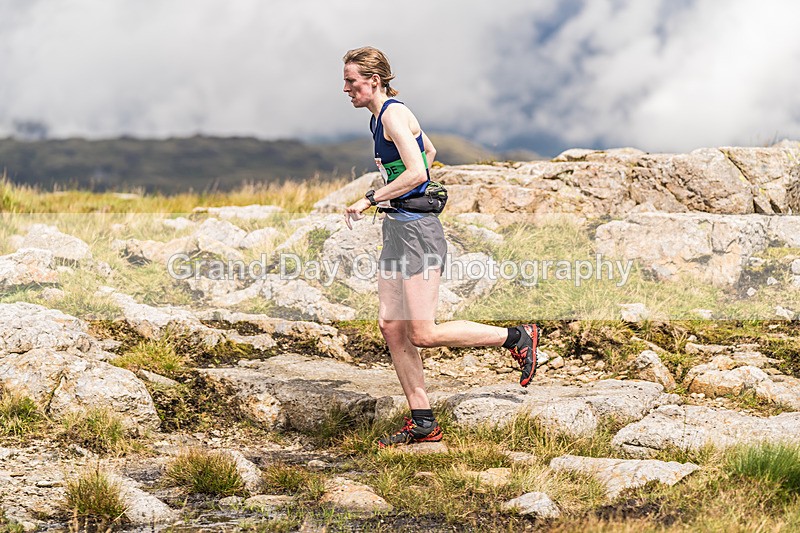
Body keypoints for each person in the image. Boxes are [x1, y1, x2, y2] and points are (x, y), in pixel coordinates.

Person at [342, 46, 541, 448]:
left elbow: (417, 170)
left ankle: (517, 337)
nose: (345, 89)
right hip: (398, 229)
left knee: (424, 332)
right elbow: (428, 152)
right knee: (391, 326)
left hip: (419, 233)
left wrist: (372, 197)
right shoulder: (380, 118)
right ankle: (423, 422)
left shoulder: (394, 114)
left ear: (374, 80)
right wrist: (400, 197)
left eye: (351, 81)